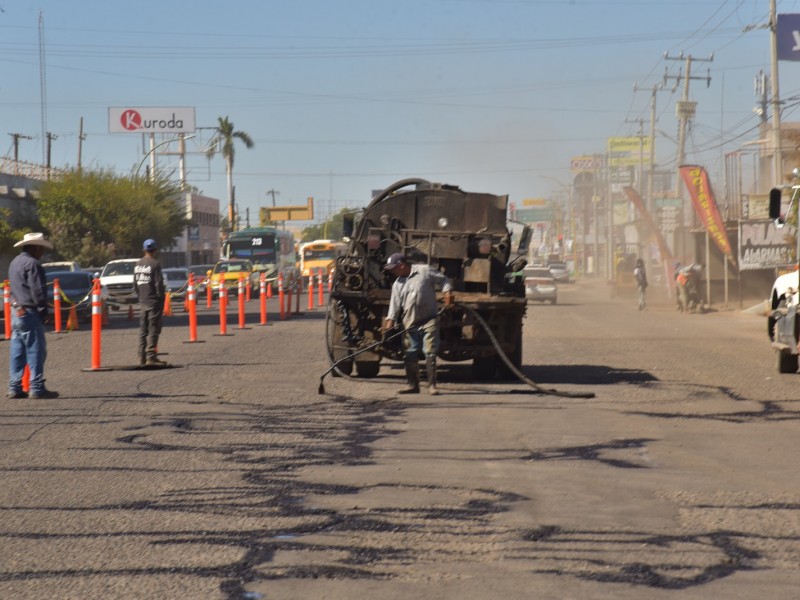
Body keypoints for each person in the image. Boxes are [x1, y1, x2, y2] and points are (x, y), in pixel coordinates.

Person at [382, 253, 453, 395]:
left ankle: (432, 386)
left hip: (429, 319)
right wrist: (389, 325)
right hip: (410, 322)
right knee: (410, 352)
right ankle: (412, 385)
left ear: (402, 265)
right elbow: (394, 306)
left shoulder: (424, 271)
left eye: (393, 268)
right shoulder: (397, 284)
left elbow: (444, 280)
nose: (392, 271)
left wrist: (448, 294)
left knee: (430, 351)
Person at [7, 232, 59, 399]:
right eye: (41, 248)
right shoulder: (33, 264)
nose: (42, 252)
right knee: (36, 350)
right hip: (30, 311)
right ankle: (36, 387)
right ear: (35, 247)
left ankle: (14, 386)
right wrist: (44, 311)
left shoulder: (14, 263)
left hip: (16, 310)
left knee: (18, 350)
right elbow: (37, 291)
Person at [134, 239, 166, 365]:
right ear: (155, 250)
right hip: (154, 302)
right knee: (153, 329)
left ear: (144, 249)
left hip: (143, 301)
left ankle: (141, 356)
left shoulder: (138, 264)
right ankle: (151, 356)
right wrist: (161, 299)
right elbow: (158, 284)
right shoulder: (155, 264)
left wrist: (141, 296)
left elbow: (135, 284)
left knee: (143, 330)